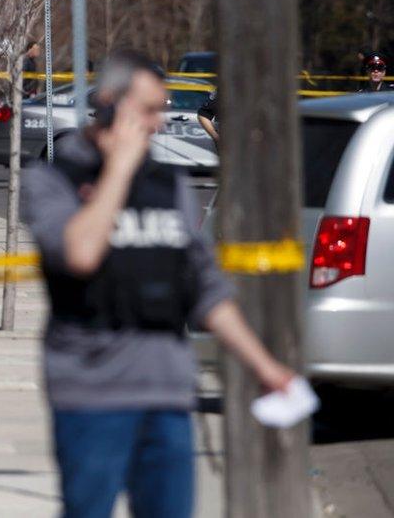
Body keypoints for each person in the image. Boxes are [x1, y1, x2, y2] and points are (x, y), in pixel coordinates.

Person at [22, 50, 294, 518]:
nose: (160, 123)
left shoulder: (170, 187)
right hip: (91, 390)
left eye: (162, 109)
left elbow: (206, 290)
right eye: (150, 110)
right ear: (109, 104)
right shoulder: (52, 179)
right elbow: (80, 255)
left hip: (167, 389)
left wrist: (266, 369)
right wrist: (120, 170)